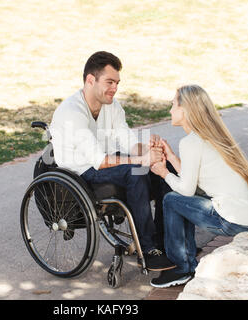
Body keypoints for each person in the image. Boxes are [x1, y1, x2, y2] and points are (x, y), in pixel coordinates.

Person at [49, 51, 175, 271]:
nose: (115, 88)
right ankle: (148, 249)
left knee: (165, 166)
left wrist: (149, 151)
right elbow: (98, 160)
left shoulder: (112, 106)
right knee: (135, 171)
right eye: (109, 82)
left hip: (107, 163)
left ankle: (166, 242)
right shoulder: (72, 112)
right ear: (90, 80)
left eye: (117, 83)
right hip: (81, 172)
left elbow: (128, 141)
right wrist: (141, 160)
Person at [149, 84, 248, 287]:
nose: (170, 110)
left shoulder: (191, 142)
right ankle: (186, 256)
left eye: (173, 105)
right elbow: (192, 183)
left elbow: (186, 190)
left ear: (185, 110)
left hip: (235, 221)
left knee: (171, 200)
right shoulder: (213, 135)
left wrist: (164, 172)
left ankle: (182, 267)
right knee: (180, 199)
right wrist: (173, 158)